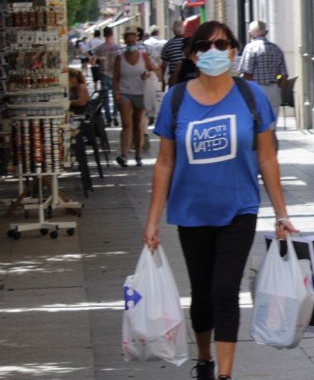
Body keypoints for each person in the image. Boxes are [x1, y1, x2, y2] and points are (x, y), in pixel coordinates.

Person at [143, 21, 297, 380]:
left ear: (233, 51)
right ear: (194, 54)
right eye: (206, 46)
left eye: (223, 44)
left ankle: (225, 374)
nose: (215, 52)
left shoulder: (251, 96)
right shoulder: (176, 99)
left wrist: (281, 213)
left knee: (225, 289)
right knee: (201, 293)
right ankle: (204, 359)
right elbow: (164, 164)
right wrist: (152, 221)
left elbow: (267, 158)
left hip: (238, 208)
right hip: (191, 211)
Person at [113, 29, 158, 167]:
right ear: (125, 43)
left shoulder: (143, 56)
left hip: (141, 92)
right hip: (125, 92)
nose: (131, 44)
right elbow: (115, 77)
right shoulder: (119, 58)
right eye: (129, 42)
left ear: (137, 41)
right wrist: (116, 92)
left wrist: (147, 74)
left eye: (133, 42)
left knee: (138, 125)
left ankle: (138, 154)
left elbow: (153, 68)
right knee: (126, 124)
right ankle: (124, 155)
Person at [237, 20, 287, 114]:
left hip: (257, 89)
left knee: (259, 121)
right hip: (274, 89)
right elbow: (283, 75)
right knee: (272, 123)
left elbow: (246, 73)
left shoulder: (250, 48)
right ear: (266, 32)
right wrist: (278, 86)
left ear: (251, 33)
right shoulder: (276, 49)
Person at [92, 27, 120, 126]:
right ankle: (115, 115)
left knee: (105, 98)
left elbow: (93, 61)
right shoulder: (118, 47)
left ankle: (108, 118)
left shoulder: (99, 48)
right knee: (116, 96)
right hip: (115, 75)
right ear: (112, 34)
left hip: (104, 73)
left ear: (104, 35)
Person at [159, 19, 187, 89]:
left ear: (173, 31)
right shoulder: (188, 43)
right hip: (187, 76)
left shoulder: (168, 44)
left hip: (174, 77)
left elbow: (164, 65)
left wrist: (162, 79)